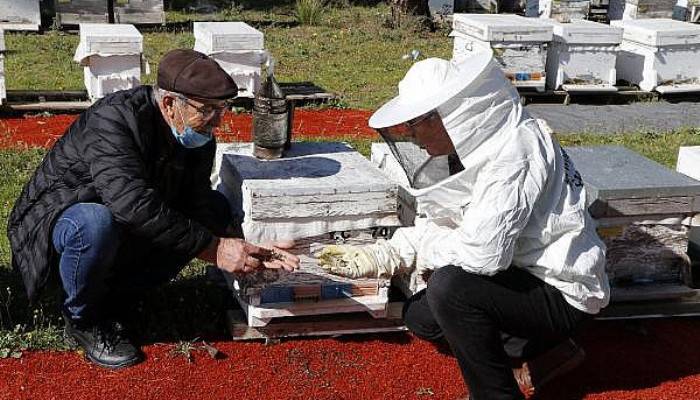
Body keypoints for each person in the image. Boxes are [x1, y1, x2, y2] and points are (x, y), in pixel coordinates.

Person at [318, 52, 610, 400]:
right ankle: (542, 354)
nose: (410, 135)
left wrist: (407, 254)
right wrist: (393, 249)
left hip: (562, 289)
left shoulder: (515, 155)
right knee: (421, 316)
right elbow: (453, 222)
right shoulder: (479, 146)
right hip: (521, 271)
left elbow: (483, 255)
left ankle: (496, 393)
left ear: (447, 115)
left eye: (415, 124)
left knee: (451, 289)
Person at [7, 49, 299, 369]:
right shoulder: (113, 120)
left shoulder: (197, 135)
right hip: (60, 221)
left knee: (213, 208)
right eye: (209, 110)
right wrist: (214, 248)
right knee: (94, 224)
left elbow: (197, 203)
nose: (218, 120)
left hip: (122, 222)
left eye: (223, 109)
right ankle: (83, 320)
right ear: (170, 103)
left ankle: (116, 297)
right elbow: (131, 204)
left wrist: (246, 244)